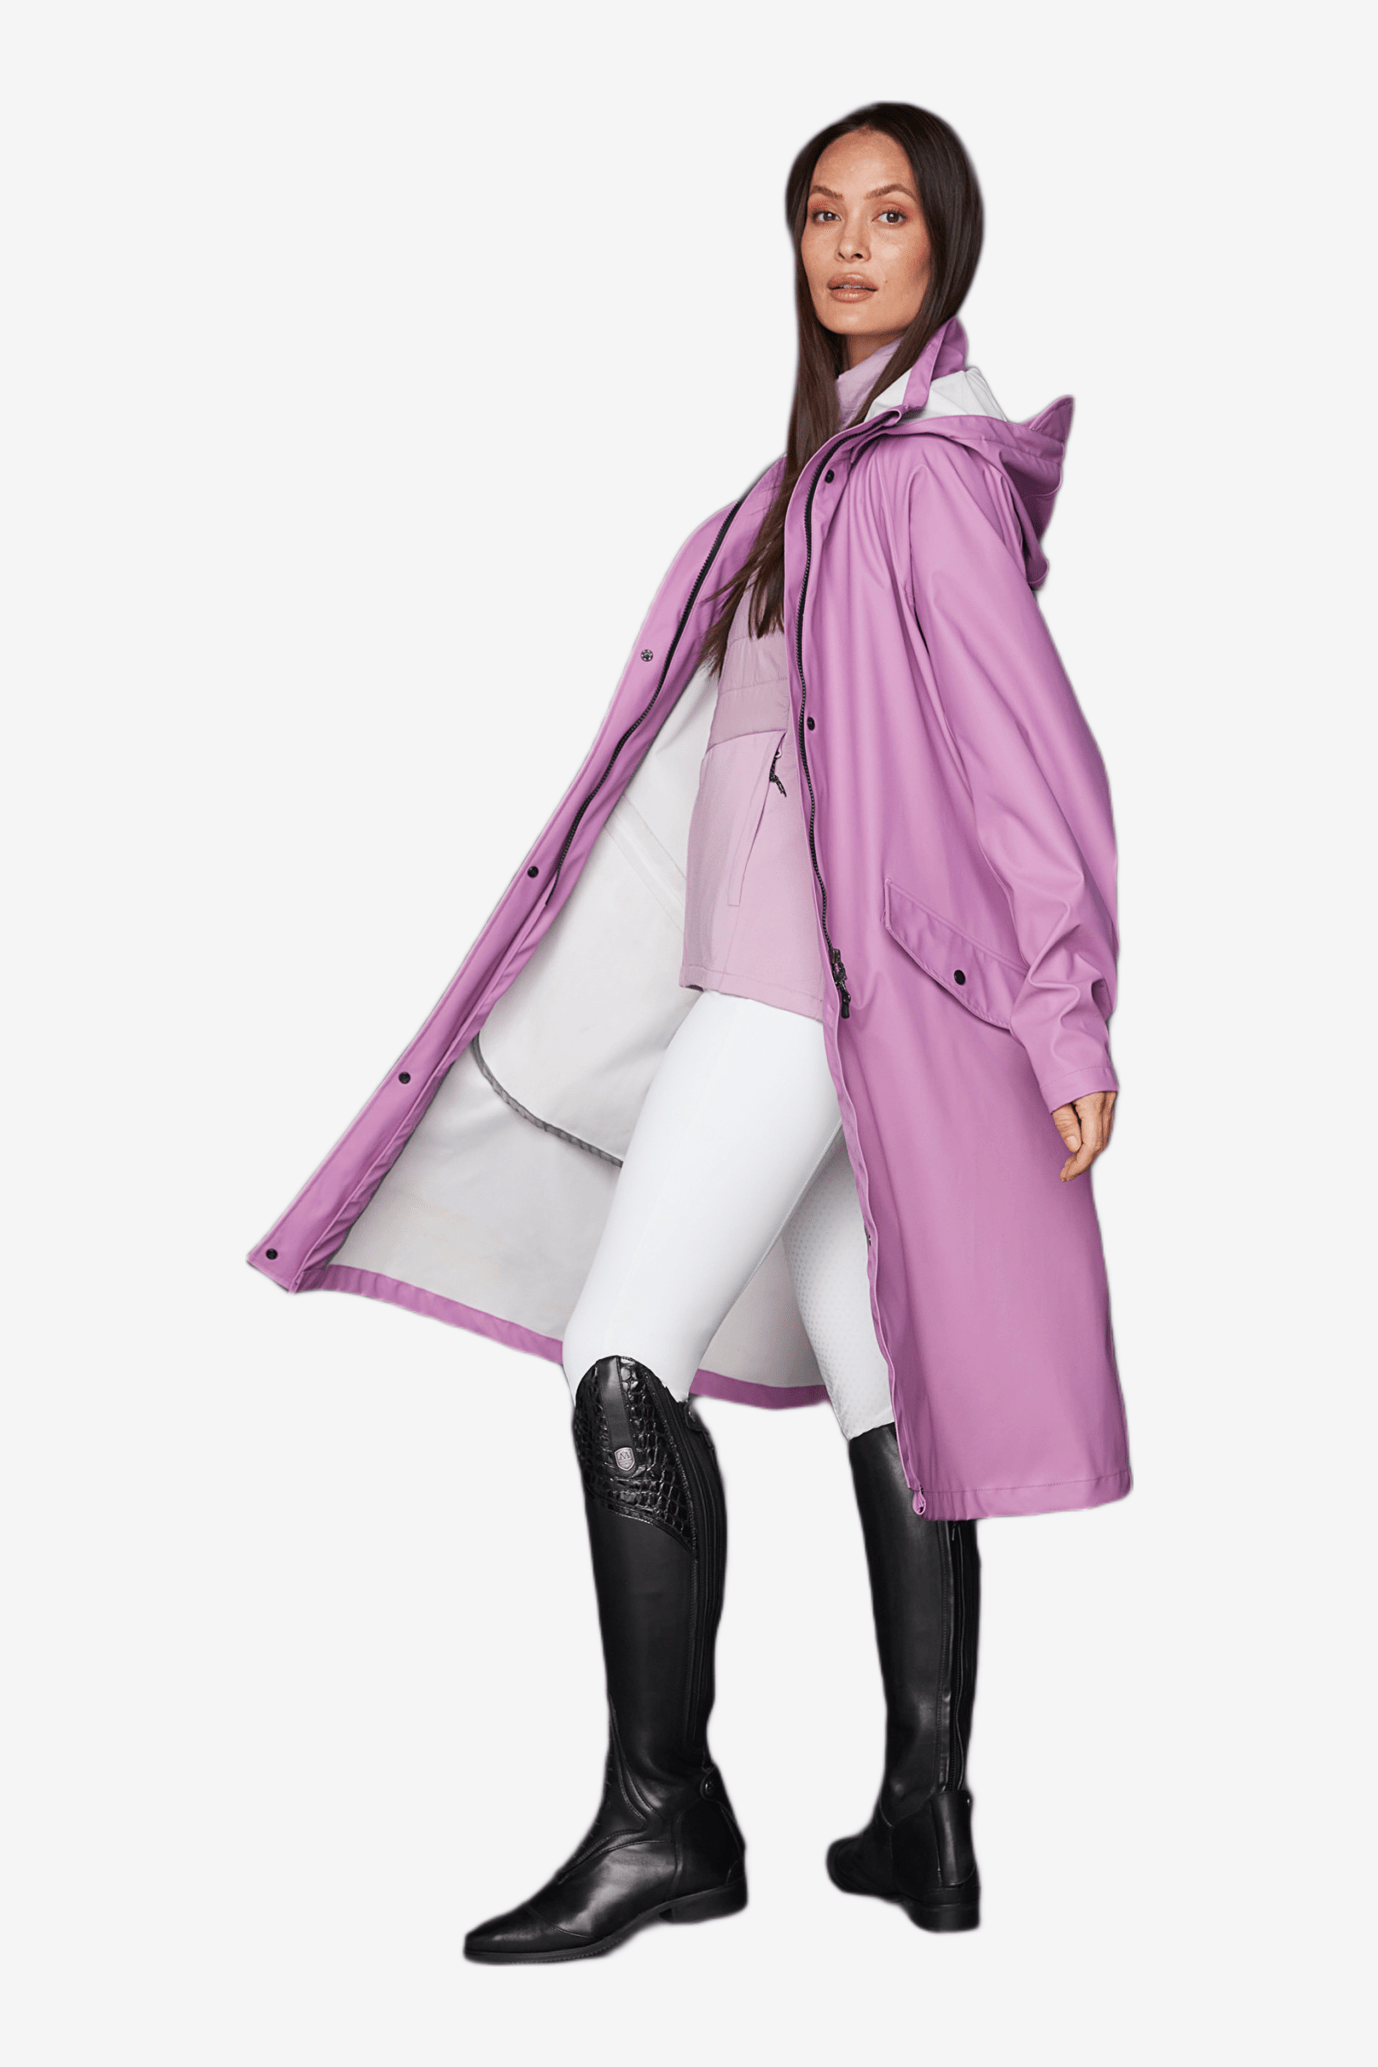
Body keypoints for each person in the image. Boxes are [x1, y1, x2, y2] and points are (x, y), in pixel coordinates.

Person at [250, 102, 1129, 1963]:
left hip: (809, 991)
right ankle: (926, 1818)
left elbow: (1034, 759)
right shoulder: (810, 482)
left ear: (947, 247)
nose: (850, 246)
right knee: (886, 1381)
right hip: (807, 996)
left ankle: (666, 1818)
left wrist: (1067, 1017)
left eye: (889, 216)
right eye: (821, 213)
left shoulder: (916, 484)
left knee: (619, 1348)